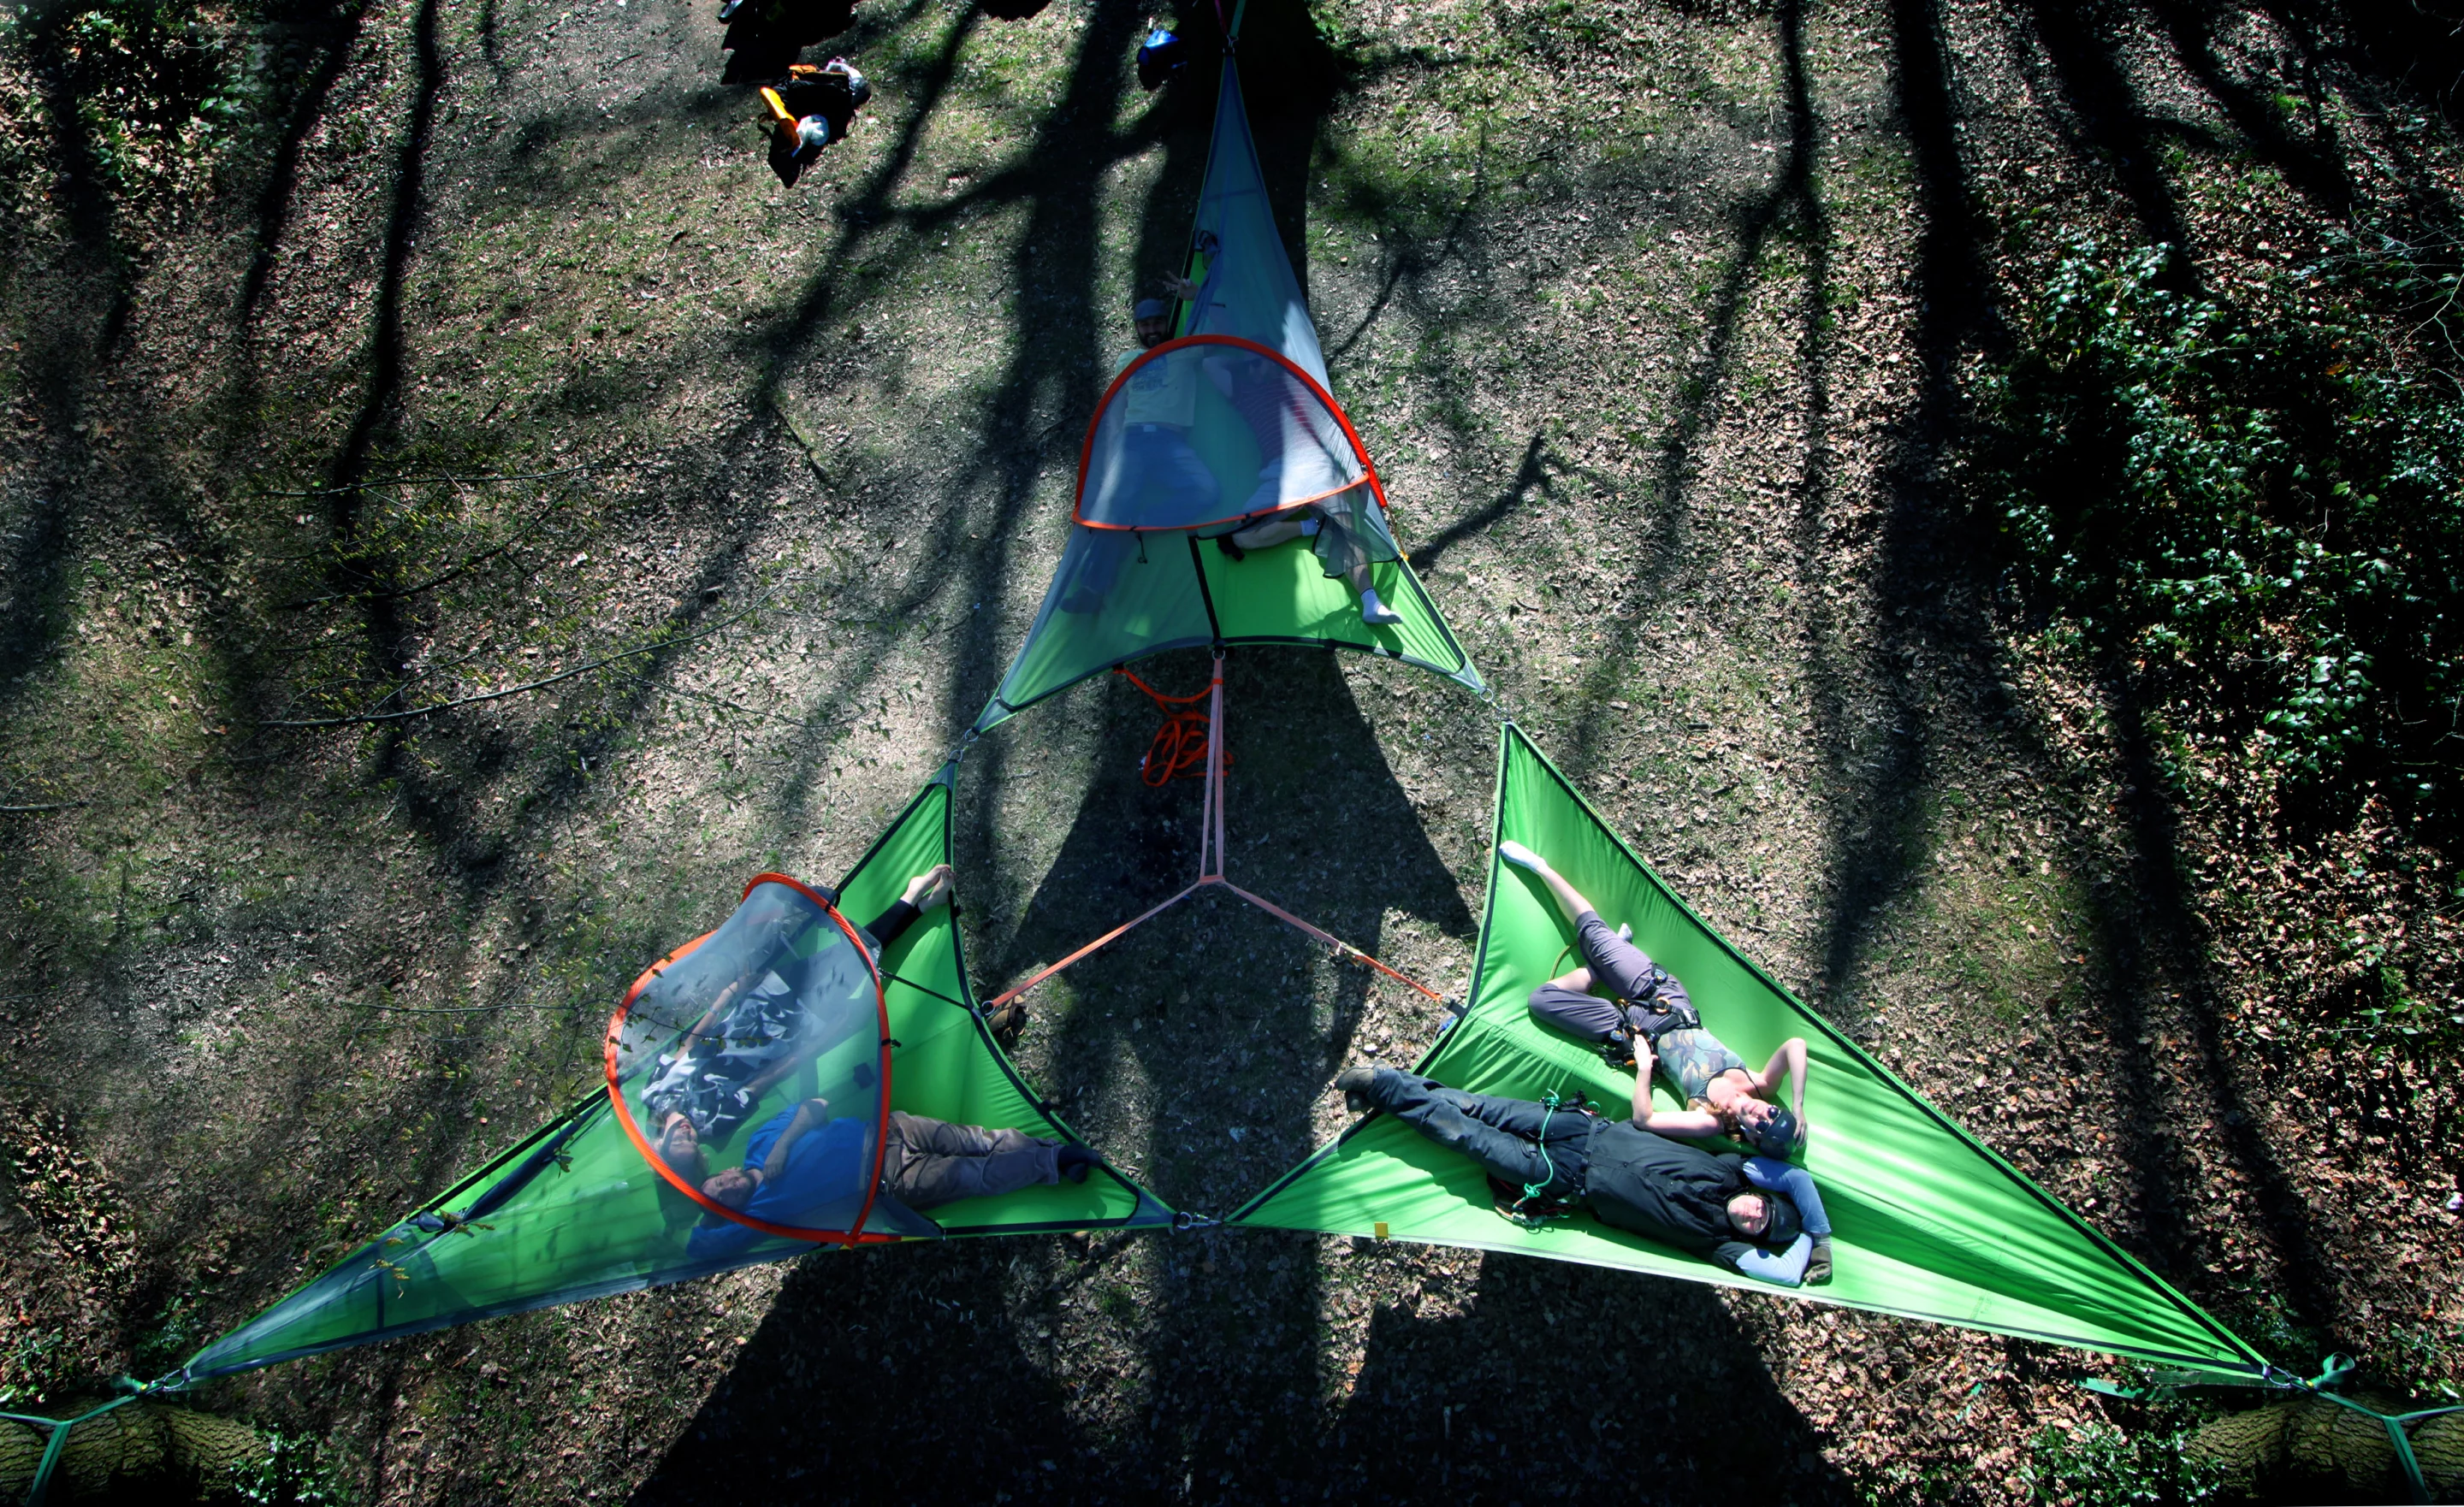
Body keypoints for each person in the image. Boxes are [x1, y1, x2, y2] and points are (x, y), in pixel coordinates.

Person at [1331, 1067, 1833, 1285]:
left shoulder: (1719, 1244)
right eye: (1763, 1206)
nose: (1753, 1214)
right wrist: (1822, 1234)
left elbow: (1786, 1273)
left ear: (1750, 1239)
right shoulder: (1734, 1170)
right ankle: (1385, 1092)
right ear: (1760, 1192)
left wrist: (1808, 1249)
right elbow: (1796, 1180)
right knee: (1475, 1106)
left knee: (1468, 1136)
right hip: (1580, 1128)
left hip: (1562, 1178)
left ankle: (1383, 1085)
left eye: (1758, 1226)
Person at [1500, 840, 1809, 1157]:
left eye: (1762, 1125)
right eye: (1773, 1113)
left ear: (1752, 1138)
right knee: (1593, 934)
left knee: (1542, 1000)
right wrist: (1797, 1106)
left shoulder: (1709, 1120)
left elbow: (1644, 1119)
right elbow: (1795, 1045)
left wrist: (1645, 1067)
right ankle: (1541, 868)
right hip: (1663, 999)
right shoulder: (1760, 1084)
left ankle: (1598, 970)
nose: (1762, 1113)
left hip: (1635, 1034)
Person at [639, 865, 951, 1142]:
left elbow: (689, 1043)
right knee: (855, 957)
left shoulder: (654, 1093)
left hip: (760, 1001)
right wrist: (824, 1039)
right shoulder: (711, 1125)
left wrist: (728, 994)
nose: (687, 1136)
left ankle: (917, 902)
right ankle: (914, 900)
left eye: (678, 1142)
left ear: (659, 1144)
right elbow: (767, 1079)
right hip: (794, 1028)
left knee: (848, 954)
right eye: (691, 1145)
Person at [684, 1096, 1100, 1258]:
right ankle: (1059, 1158)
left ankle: (1053, 1155)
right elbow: (698, 1249)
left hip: (889, 1128)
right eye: (722, 1200)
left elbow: (816, 1105)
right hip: (891, 1179)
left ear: (727, 1169)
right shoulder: (761, 1214)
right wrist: (694, 1195)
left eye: (719, 1183)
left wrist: (782, 1146)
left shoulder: (760, 1142)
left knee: (977, 1140)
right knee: (974, 1174)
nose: (727, 1188)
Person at [1059, 285, 1221, 612]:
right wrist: (1111, 454)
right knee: (1114, 513)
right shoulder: (1128, 360)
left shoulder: (1183, 351)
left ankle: (1142, 521)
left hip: (1170, 441)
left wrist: (1196, 298)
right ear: (1137, 329)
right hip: (1132, 441)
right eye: (1145, 325)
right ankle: (1091, 592)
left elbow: (1220, 338)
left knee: (1207, 492)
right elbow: (1117, 407)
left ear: (1167, 323)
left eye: (1157, 323)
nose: (1152, 330)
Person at [757, 57, 870, 187]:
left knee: (792, 92)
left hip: (808, 99)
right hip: (810, 98)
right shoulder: (843, 84)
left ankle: (788, 114)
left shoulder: (790, 83)